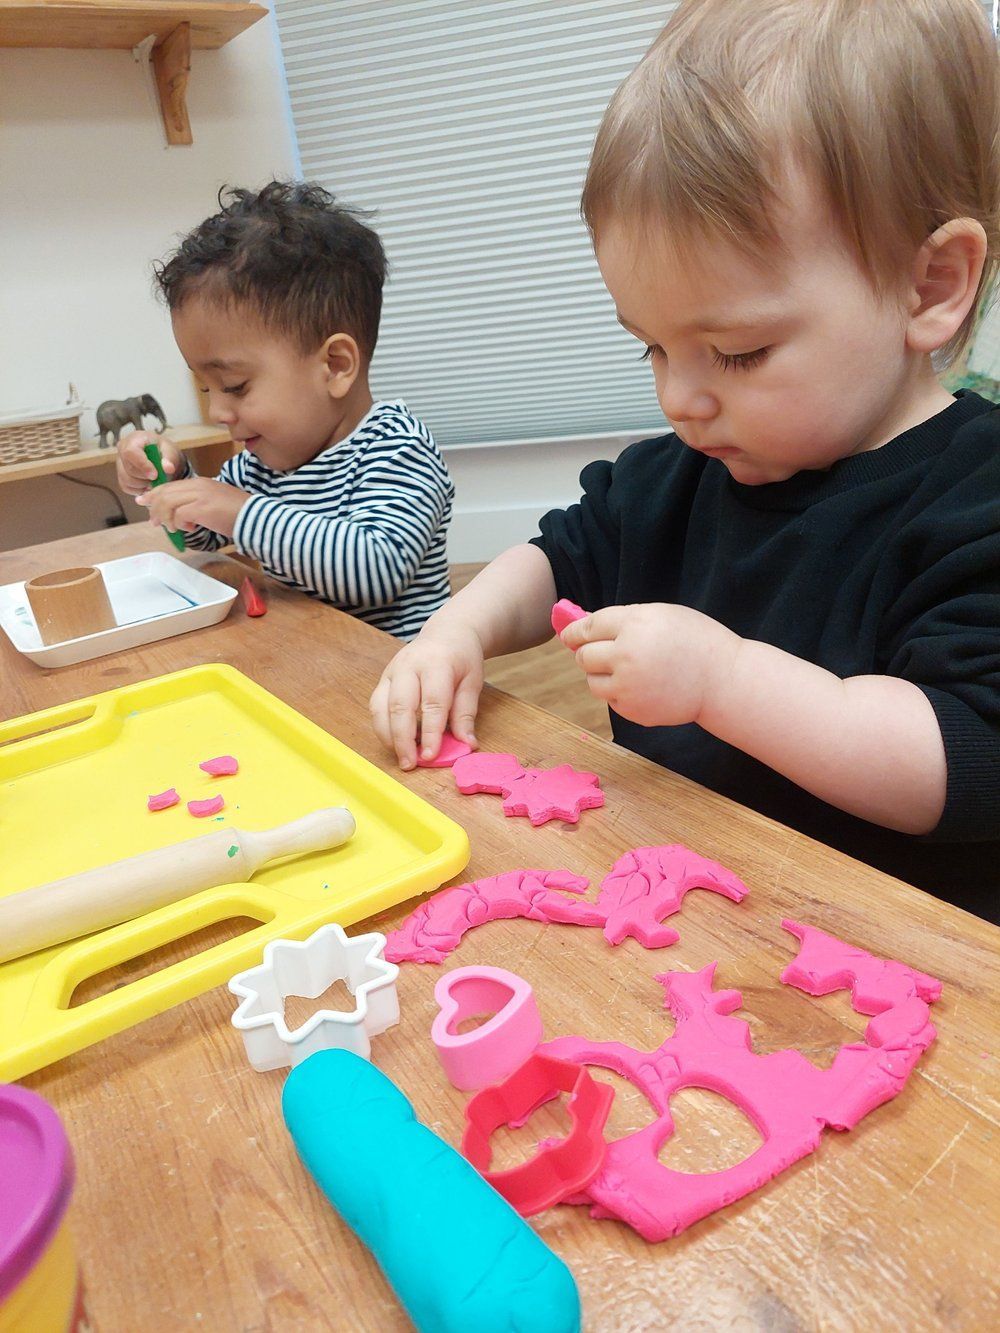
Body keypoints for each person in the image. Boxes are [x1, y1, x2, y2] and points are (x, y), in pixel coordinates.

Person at [370, 0, 1000, 919]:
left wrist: (723, 679)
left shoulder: (977, 498)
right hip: (680, 910)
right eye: (653, 348)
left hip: (883, 963)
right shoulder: (676, 473)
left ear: (929, 285)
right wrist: (456, 630)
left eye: (738, 353)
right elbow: (554, 556)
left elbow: (960, 760)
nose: (680, 399)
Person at [116, 181, 454, 640]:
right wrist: (175, 485)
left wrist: (239, 513)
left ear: (335, 366)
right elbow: (201, 537)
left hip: (401, 684)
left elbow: (378, 571)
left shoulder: (396, 448)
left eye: (234, 386)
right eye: (206, 387)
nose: (218, 411)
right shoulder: (261, 464)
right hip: (306, 662)